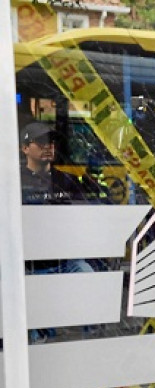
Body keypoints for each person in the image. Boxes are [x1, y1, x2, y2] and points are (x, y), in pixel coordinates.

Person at [20, 121, 96, 343]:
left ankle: (88, 340)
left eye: (51, 142)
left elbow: (84, 217)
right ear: (25, 148)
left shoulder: (66, 180)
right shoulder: (13, 181)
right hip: (28, 265)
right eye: (41, 142)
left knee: (88, 277)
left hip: (65, 260)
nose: (48, 146)